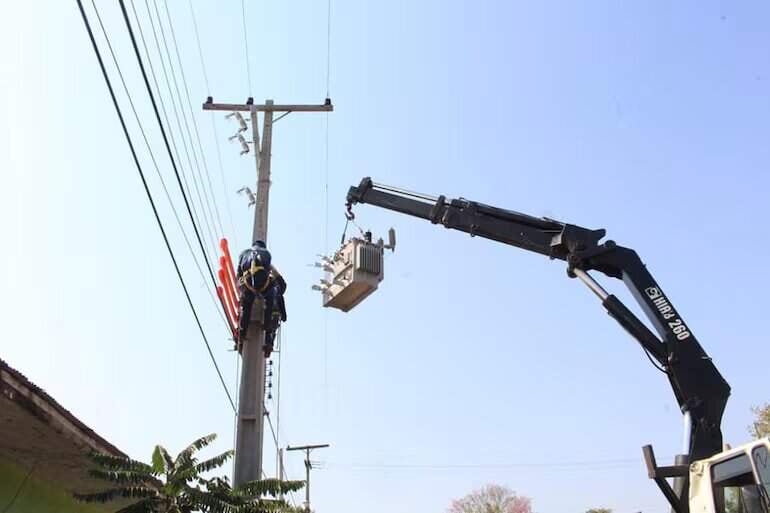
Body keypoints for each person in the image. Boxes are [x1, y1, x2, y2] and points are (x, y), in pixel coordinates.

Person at [236, 240, 287, 355]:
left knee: (246, 306)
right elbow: (282, 285)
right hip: (263, 284)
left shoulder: (243, 254)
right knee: (272, 302)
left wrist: (243, 291)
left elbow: (238, 275)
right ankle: (268, 340)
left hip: (246, 284)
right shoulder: (266, 254)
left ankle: (241, 335)